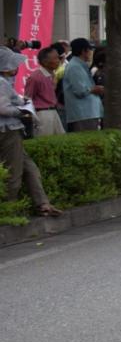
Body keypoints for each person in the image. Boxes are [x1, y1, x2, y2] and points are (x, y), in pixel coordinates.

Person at [0, 47, 62, 217]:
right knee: (14, 171)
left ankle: (42, 204)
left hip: (11, 129)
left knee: (30, 168)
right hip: (8, 131)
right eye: (12, 64)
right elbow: (3, 108)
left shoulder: (5, 82)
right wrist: (22, 110)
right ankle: (9, 211)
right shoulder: (2, 82)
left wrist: (22, 103)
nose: (16, 67)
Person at [63, 38, 103, 131]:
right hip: (83, 114)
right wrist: (94, 89)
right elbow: (80, 91)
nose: (91, 52)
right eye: (90, 49)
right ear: (83, 51)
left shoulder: (80, 65)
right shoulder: (75, 67)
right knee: (89, 143)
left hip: (87, 113)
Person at [25, 46, 65, 136]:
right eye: (55, 58)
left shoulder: (52, 75)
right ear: (45, 62)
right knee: (45, 140)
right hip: (42, 114)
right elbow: (28, 98)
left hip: (54, 111)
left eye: (58, 57)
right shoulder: (35, 77)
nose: (58, 60)